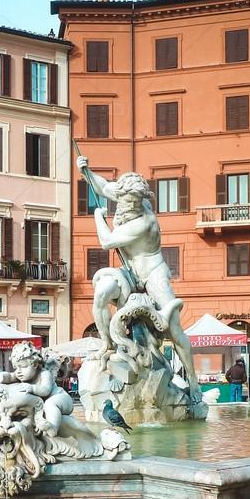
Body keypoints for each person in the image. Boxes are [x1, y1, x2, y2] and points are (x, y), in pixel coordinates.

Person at [78, 155, 200, 401]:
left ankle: (194, 383)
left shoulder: (145, 220)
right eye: (129, 200)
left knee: (174, 327)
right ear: (121, 196)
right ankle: (106, 344)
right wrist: (86, 172)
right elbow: (103, 187)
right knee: (102, 292)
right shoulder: (123, 197)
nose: (133, 204)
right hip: (128, 272)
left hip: (153, 272)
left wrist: (97, 217)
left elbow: (107, 241)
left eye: (137, 200)